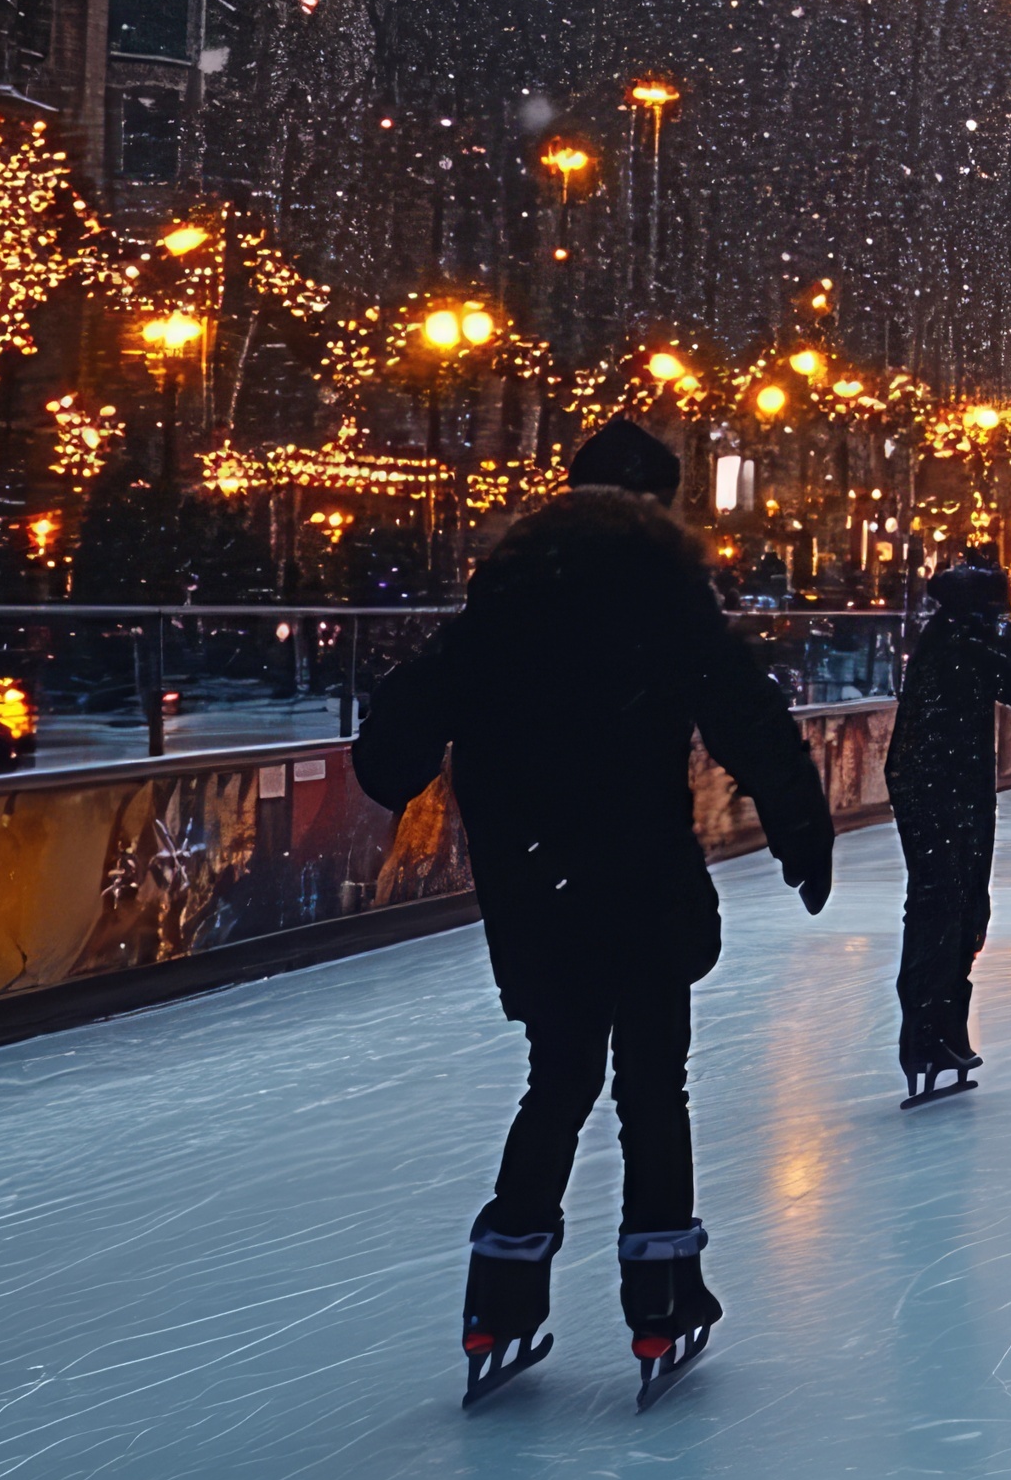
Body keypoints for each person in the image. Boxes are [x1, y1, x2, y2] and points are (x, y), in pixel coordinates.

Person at [356, 418, 831, 1405]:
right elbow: (746, 708)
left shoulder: (507, 597)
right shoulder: (666, 596)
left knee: (558, 1079)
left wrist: (397, 765)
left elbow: (404, 721)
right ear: (663, 502)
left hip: (536, 882)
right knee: (653, 1082)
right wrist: (798, 824)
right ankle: (661, 1296)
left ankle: (501, 1291)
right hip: (639, 874)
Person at [891, 551, 1011, 1104]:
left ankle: (944, 1031)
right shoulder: (961, 645)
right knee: (944, 904)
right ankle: (927, 1035)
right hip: (940, 789)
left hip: (950, 785)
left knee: (962, 904)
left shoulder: (951, 641)